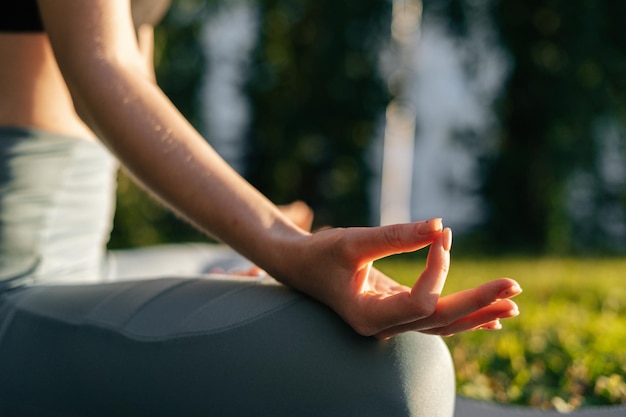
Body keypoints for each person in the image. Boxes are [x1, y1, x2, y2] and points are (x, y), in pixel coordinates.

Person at [0, 1, 521, 416]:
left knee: (233, 271)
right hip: (13, 285)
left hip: (82, 259)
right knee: (406, 374)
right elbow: (99, 69)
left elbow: (136, 91)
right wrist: (284, 247)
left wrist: (261, 231)